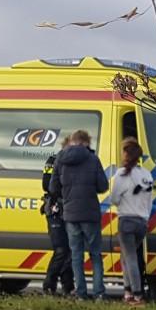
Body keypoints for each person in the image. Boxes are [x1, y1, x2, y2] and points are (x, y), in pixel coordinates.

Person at [50, 129, 109, 300]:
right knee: (95, 254)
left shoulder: (60, 160)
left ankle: (81, 293)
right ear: (85, 142)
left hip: (71, 215)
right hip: (90, 213)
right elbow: (102, 186)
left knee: (76, 255)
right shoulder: (93, 159)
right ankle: (99, 293)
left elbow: (53, 188)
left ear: (72, 141)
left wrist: (67, 194)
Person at [110, 137, 154, 306]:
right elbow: (150, 200)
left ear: (126, 154)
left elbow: (114, 199)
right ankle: (127, 291)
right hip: (142, 221)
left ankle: (137, 294)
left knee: (130, 258)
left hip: (126, 220)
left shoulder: (122, 174)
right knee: (126, 256)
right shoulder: (146, 174)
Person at [40, 143, 74, 296]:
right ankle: (49, 284)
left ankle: (68, 287)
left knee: (69, 250)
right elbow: (46, 184)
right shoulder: (53, 160)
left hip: (70, 209)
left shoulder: (74, 163)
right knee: (61, 249)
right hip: (55, 209)